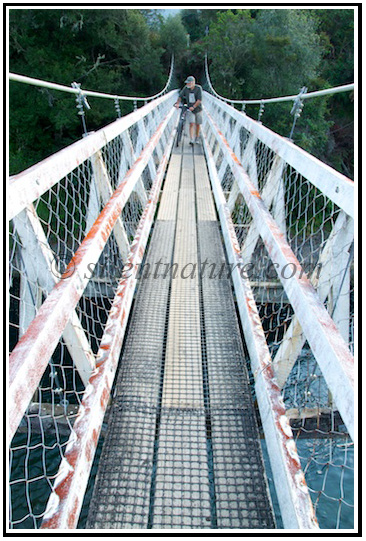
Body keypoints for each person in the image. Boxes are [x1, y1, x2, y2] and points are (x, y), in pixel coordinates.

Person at [175, 76, 203, 145]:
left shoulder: (198, 88)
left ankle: (196, 137)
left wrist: (194, 106)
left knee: (198, 124)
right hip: (190, 109)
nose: (188, 84)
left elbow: (199, 100)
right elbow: (180, 96)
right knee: (191, 123)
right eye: (187, 83)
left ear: (193, 82)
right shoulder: (186, 89)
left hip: (198, 109)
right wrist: (177, 103)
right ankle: (191, 139)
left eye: (189, 83)